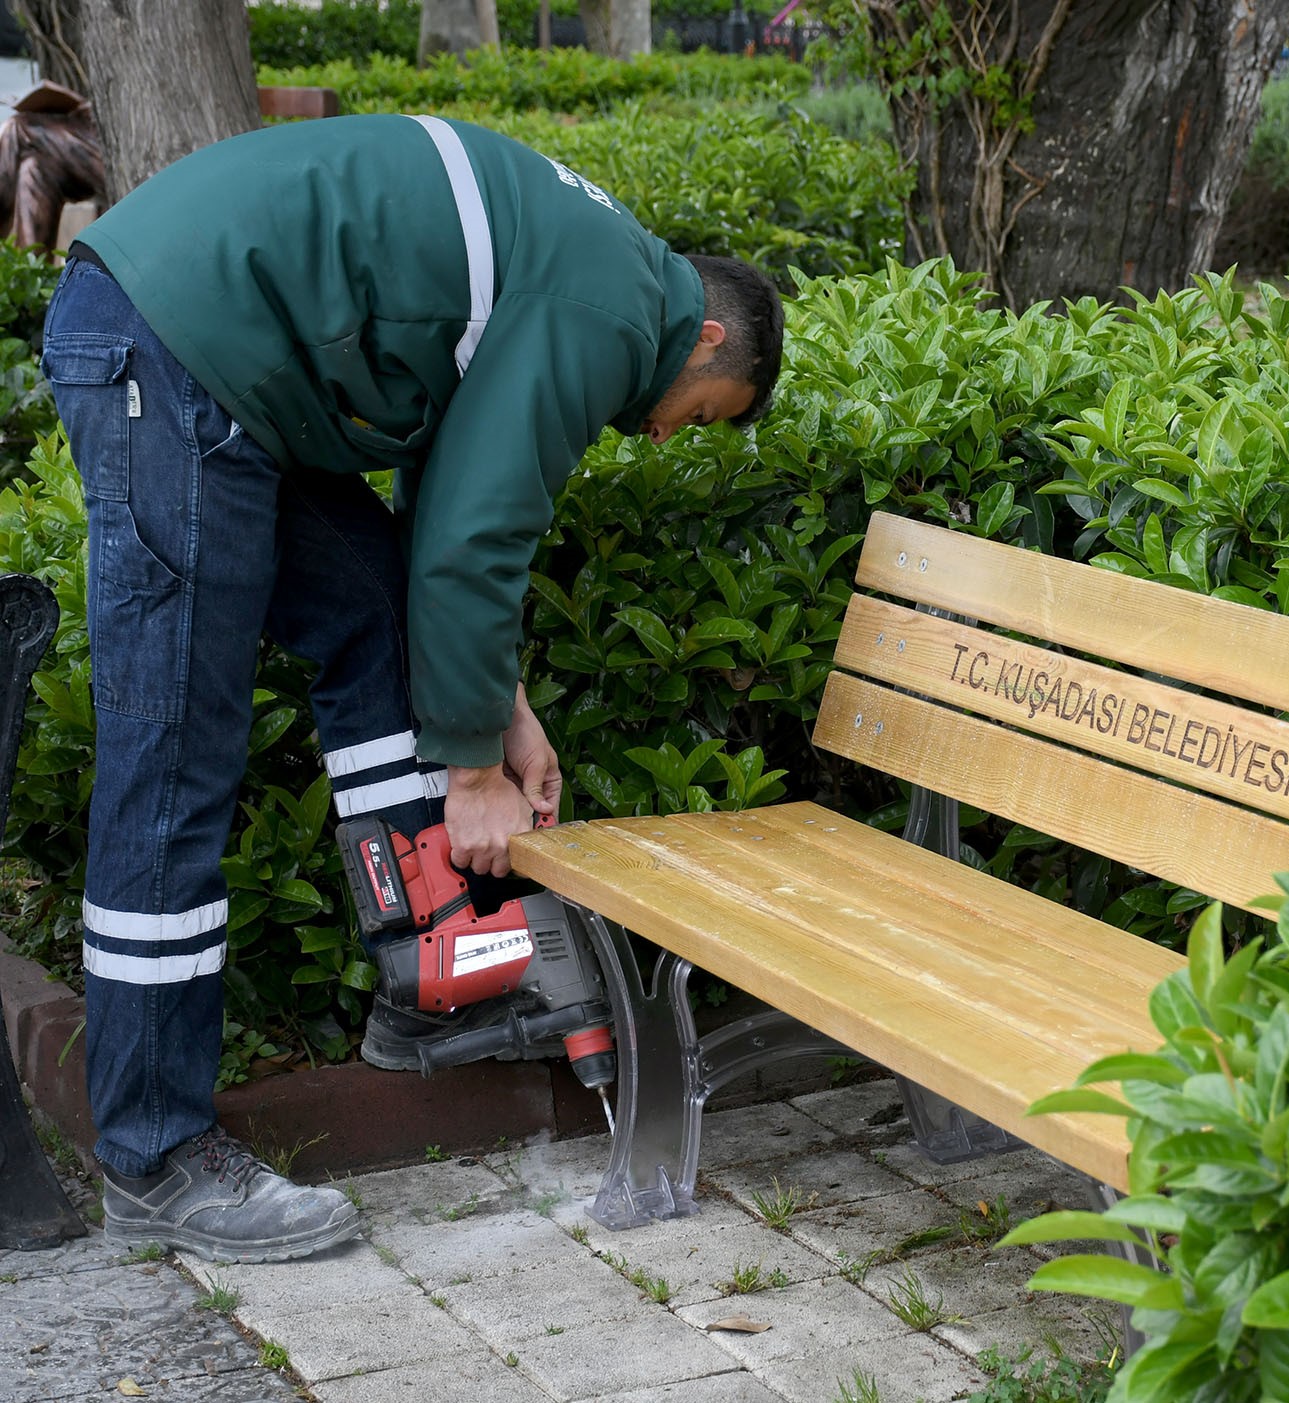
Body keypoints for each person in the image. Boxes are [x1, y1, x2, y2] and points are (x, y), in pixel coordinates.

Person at [40, 113, 784, 1264]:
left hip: (215, 359)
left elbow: (446, 512)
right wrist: (475, 774)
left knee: (375, 610)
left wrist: (504, 712)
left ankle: (430, 973)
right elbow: (477, 535)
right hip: (177, 352)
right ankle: (154, 1154)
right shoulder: (615, 310)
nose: (656, 434)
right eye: (699, 416)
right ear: (709, 335)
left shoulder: (596, 265)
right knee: (174, 757)